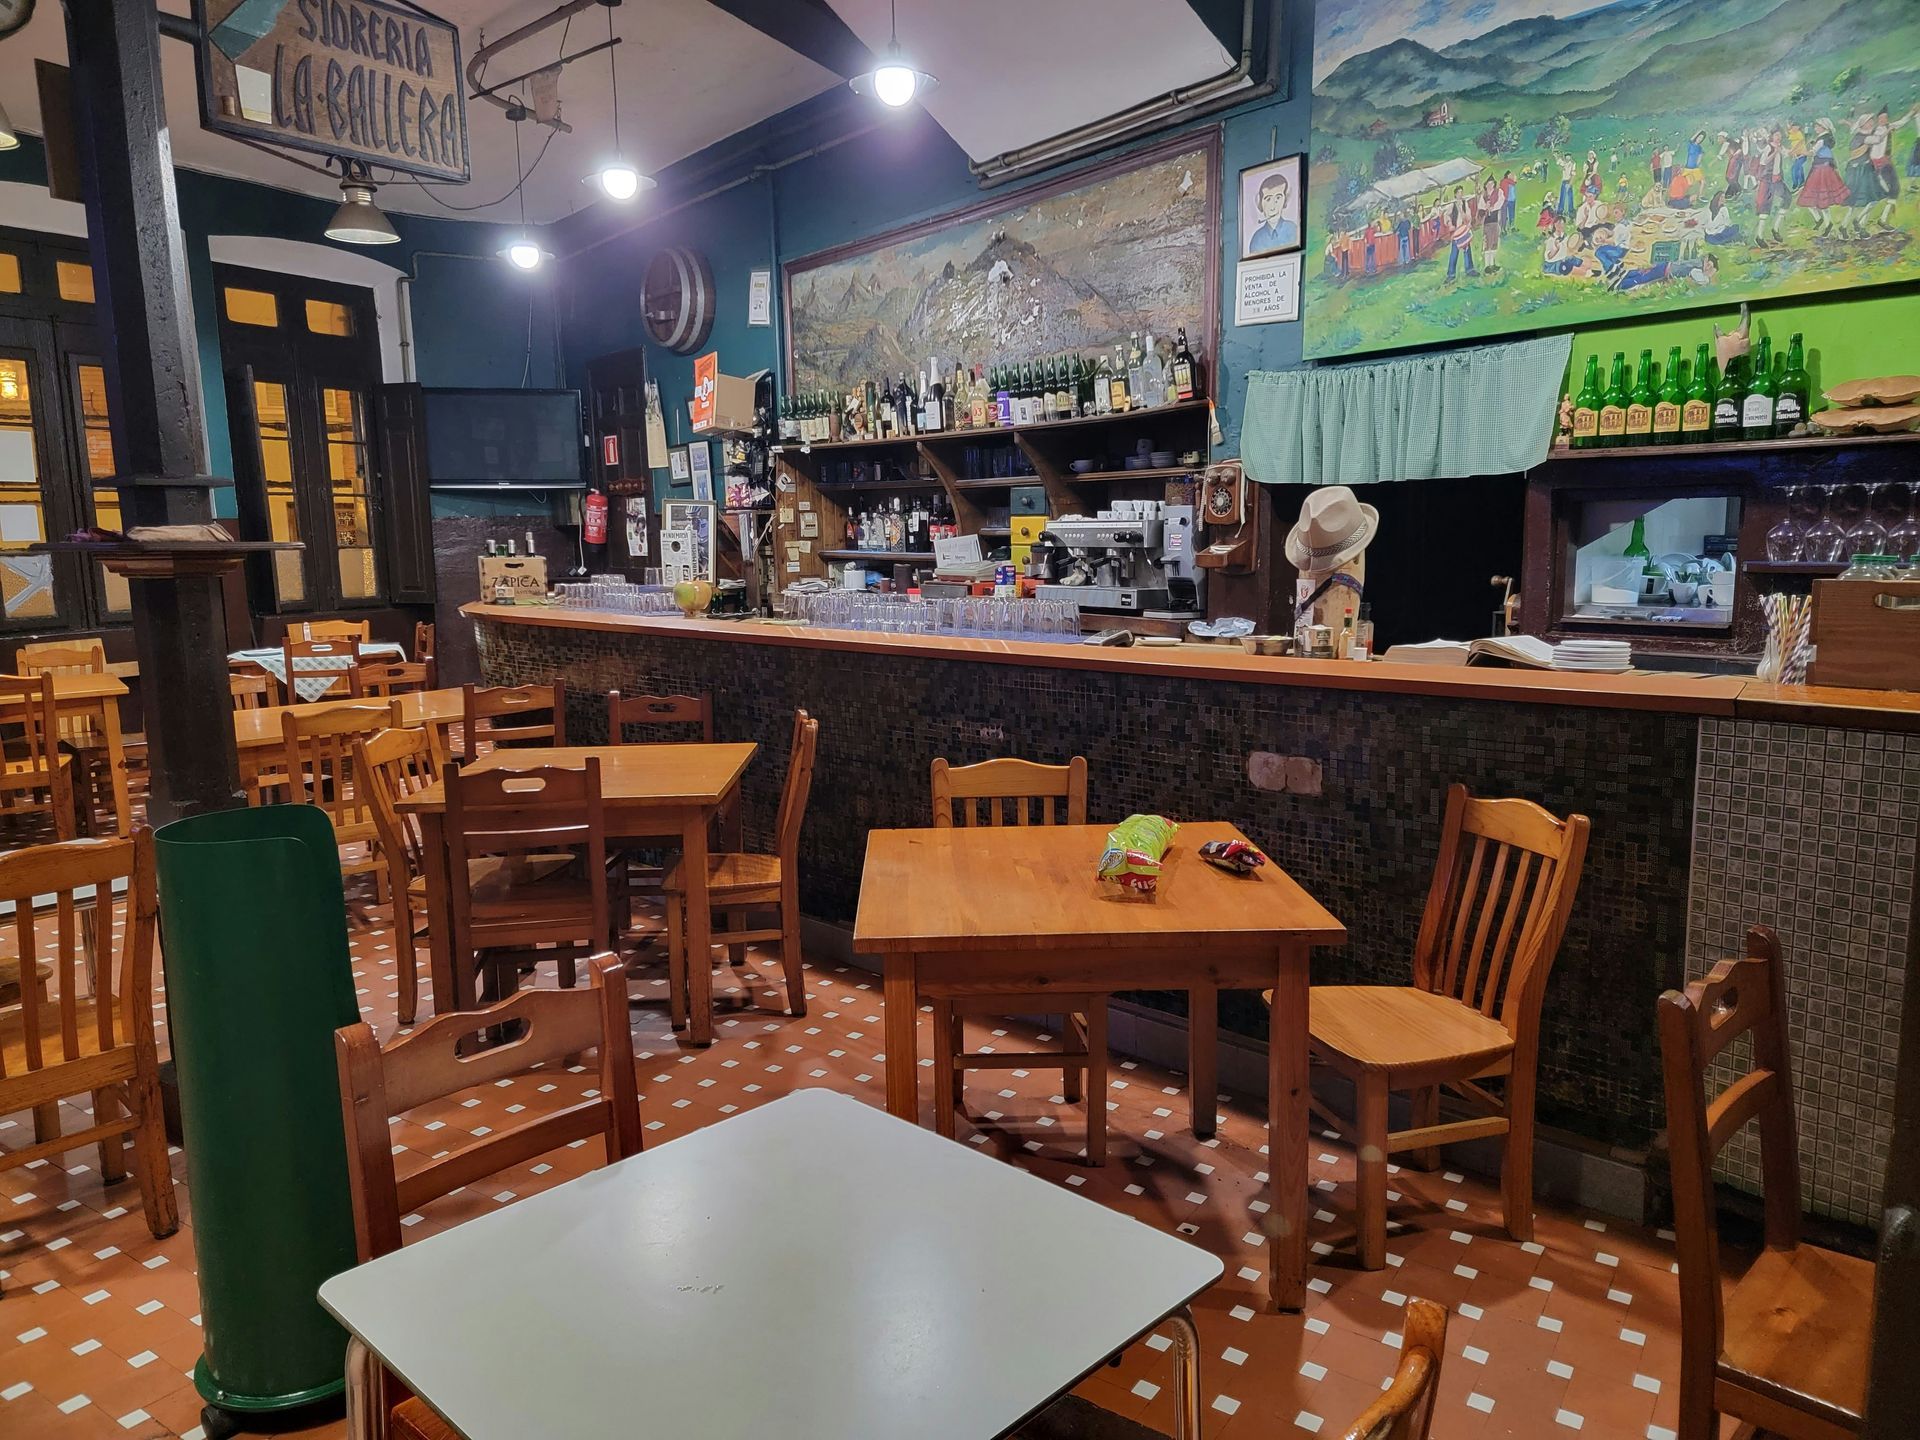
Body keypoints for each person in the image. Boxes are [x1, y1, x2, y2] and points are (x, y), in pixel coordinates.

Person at [1798, 117, 1852, 234]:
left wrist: (1801, 152)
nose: (1815, 128)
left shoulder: (1822, 139)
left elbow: (1812, 152)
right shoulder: (1824, 138)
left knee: (1816, 198)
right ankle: (1824, 222)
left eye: (1817, 126)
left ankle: (1826, 223)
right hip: (1823, 168)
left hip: (1821, 170)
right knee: (1819, 199)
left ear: (1823, 127)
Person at [1247, 170, 1299, 253]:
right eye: (1268, 199)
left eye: (1278, 198)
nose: (1273, 206)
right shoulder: (1257, 239)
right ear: (1260, 204)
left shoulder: (1293, 230)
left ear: (1285, 200)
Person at [1613, 253, 1718, 292]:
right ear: (1707, 261)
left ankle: (1626, 274)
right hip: (1665, 270)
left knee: (1644, 273)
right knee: (1644, 278)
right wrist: (1708, 278)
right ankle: (1620, 284)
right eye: (1709, 265)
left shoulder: (1698, 262)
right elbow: (1699, 278)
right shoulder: (1697, 267)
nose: (1707, 268)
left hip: (1666, 266)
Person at [1754, 129, 1789, 246]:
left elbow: (1788, 153)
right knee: (1765, 206)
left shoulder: (1781, 147)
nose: (1778, 137)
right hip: (1768, 180)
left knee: (1787, 198)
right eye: (1776, 135)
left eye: (1780, 135)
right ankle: (1759, 236)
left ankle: (1776, 228)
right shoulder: (1769, 147)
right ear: (1772, 137)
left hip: (1777, 179)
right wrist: (1775, 152)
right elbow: (1763, 161)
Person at [1445, 186, 1477, 280]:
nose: (1460, 194)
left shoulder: (1464, 203)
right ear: (1455, 194)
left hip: (1464, 229)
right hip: (1456, 231)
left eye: (1461, 192)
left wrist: (1468, 221)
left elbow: (1468, 215)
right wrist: (1450, 224)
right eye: (1458, 192)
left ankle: (1470, 269)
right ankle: (1451, 274)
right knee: (1454, 252)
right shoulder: (1452, 204)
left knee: (1467, 249)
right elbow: (1447, 215)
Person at [1480, 176, 1503, 273]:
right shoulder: (1484, 196)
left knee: (1494, 242)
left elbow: (1501, 202)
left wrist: (1492, 207)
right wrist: (1486, 207)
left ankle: (1492, 264)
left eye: (1492, 184)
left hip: (1495, 220)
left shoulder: (1498, 192)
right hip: (1487, 222)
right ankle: (1487, 265)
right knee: (1487, 242)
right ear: (1485, 185)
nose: (1490, 186)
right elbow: (1480, 207)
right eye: (1488, 184)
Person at [1557, 153, 1576, 221]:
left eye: (1569, 158)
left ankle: (1570, 211)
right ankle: (1560, 211)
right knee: (1562, 196)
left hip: (1568, 181)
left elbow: (1573, 175)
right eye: (1566, 158)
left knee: (1569, 197)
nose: (1567, 159)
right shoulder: (1564, 163)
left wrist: (1570, 184)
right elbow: (1559, 163)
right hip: (1564, 181)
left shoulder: (1572, 164)